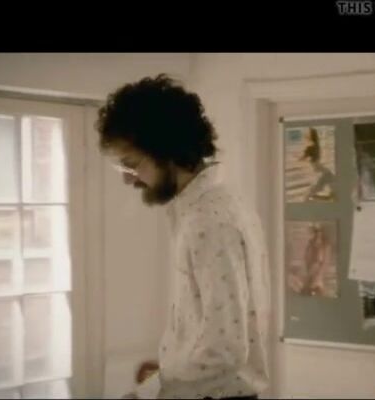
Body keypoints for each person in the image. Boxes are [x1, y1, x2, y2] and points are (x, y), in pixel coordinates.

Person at [97, 74, 270, 399]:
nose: (129, 180)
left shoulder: (208, 220)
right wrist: (170, 366)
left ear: (167, 151)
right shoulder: (222, 201)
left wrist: (147, 393)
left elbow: (224, 350)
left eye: (132, 165)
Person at [298, 128, 335, 201]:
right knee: (329, 196)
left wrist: (295, 157)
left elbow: (302, 158)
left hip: (322, 174)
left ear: (310, 136)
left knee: (306, 197)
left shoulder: (310, 148)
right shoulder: (317, 146)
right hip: (326, 173)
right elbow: (312, 159)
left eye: (306, 134)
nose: (305, 135)